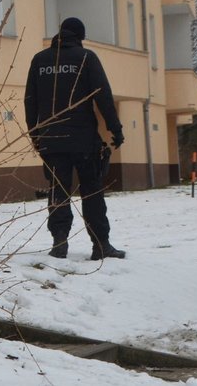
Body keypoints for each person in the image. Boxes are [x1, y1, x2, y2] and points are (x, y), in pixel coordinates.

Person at [23, 17, 126, 261]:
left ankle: (59, 240)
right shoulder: (86, 58)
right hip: (83, 140)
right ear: (80, 36)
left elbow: (30, 101)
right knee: (91, 192)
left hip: (52, 139)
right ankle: (100, 244)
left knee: (58, 191)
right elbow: (104, 96)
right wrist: (116, 129)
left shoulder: (40, 60)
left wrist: (35, 135)